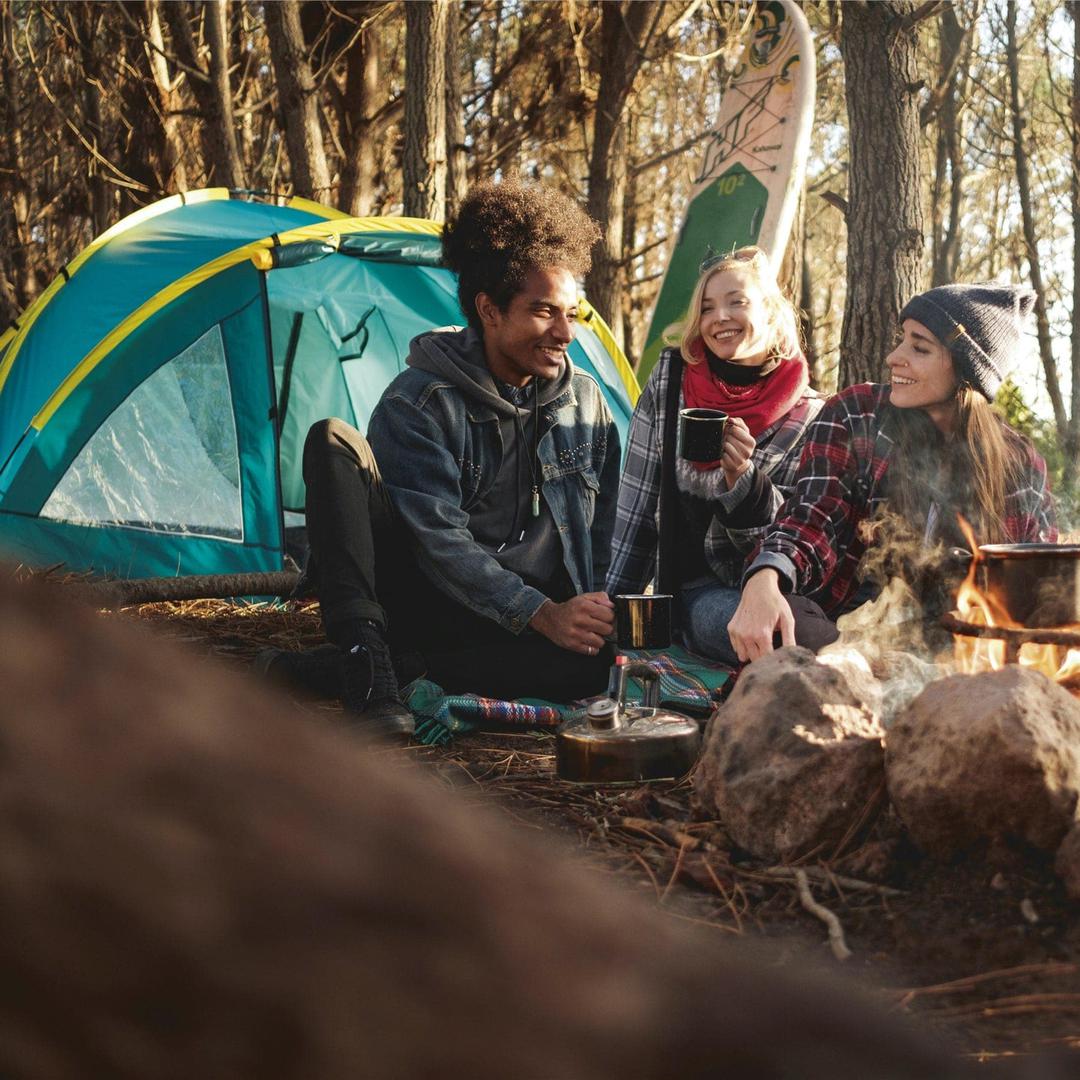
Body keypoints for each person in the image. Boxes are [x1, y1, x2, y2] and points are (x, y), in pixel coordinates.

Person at [259, 181, 620, 736]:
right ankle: (364, 658)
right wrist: (542, 615)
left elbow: (608, 527)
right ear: (489, 309)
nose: (565, 332)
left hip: (518, 624)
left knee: (597, 666)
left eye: (571, 314)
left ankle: (371, 671)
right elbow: (438, 543)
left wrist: (589, 614)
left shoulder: (586, 402)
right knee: (332, 441)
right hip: (430, 601)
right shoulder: (419, 402)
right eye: (544, 312)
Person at [727, 283, 1058, 663]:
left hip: (958, 643)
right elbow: (812, 518)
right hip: (845, 626)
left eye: (920, 348)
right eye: (902, 340)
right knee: (781, 621)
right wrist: (768, 574)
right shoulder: (856, 414)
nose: (894, 357)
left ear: (967, 372)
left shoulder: (1018, 463)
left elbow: (1036, 586)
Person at [606, 246, 825, 664]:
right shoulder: (672, 379)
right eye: (706, 308)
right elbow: (637, 504)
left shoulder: (808, 414)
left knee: (808, 633)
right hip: (702, 590)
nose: (719, 317)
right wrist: (613, 608)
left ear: (771, 312)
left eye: (736, 302)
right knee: (781, 639)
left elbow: (792, 540)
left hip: (775, 586)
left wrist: (744, 482)